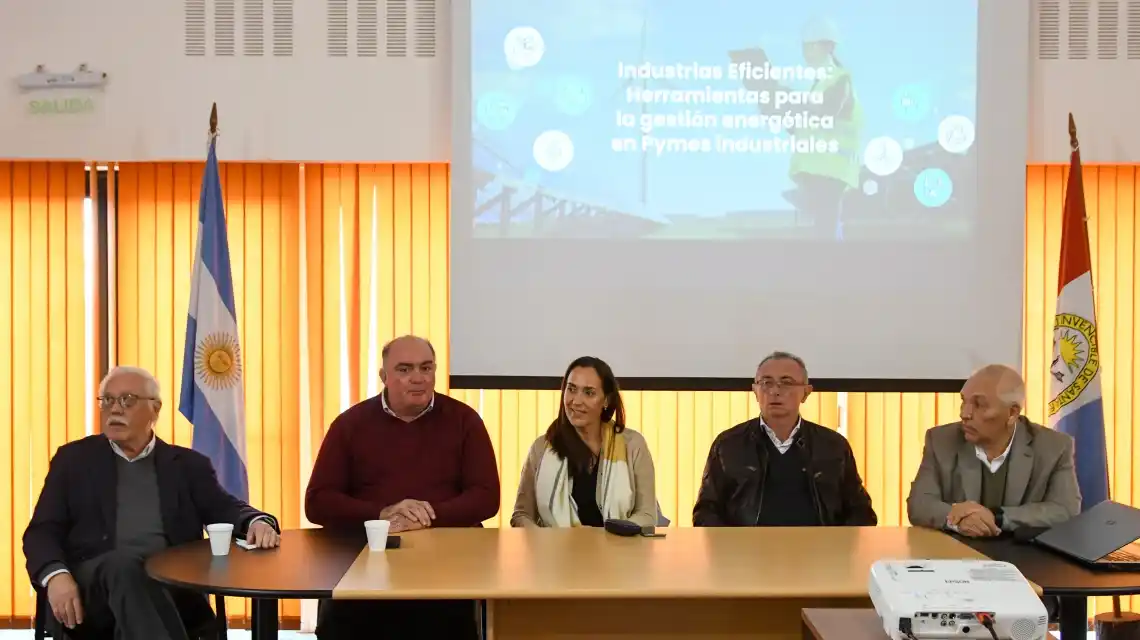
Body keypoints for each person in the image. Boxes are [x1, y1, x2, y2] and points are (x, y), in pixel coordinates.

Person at [23, 366, 280, 640]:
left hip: (170, 588)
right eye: (107, 400)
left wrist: (257, 521)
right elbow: (41, 531)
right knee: (123, 567)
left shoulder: (187, 466)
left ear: (155, 410)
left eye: (127, 400)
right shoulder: (73, 460)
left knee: (138, 582)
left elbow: (224, 507)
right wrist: (55, 576)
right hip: (93, 594)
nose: (115, 409)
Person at [305, 335, 499, 640]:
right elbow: (318, 502)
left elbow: (487, 497)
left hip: (446, 564)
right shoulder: (350, 424)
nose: (418, 378)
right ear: (384, 377)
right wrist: (382, 513)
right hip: (368, 560)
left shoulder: (465, 421)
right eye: (404, 369)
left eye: (426, 368)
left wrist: (426, 514)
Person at [693, 351, 876, 527]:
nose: (775, 391)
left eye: (786, 383)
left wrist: (838, 546)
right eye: (766, 383)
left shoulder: (832, 445)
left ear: (806, 392)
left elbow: (861, 511)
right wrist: (733, 548)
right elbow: (706, 511)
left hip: (820, 553)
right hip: (747, 554)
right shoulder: (728, 445)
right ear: (755, 391)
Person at [907, 364, 1081, 536]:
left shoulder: (1054, 446)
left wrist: (997, 517)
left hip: (1025, 556)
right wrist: (959, 519)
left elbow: (1065, 509)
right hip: (957, 555)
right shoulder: (941, 440)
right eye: (963, 401)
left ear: (1012, 413)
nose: (964, 414)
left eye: (979, 405)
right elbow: (920, 504)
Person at [732, 17, 864, 239]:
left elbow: (823, 112)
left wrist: (781, 96)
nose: (805, 53)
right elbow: (804, 123)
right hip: (819, 171)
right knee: (825, 231)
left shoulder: (839, 81)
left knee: (827, 232)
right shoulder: (822, 83)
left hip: (830, 172)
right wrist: (774, 104)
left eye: (808, 46)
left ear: (822, 46)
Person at [511, 357, 657, 528]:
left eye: (589, 393)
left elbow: (646, 515)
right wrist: (543, 541)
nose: (576, 401)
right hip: (554, 552)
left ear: (606, 400)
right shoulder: (541, 447)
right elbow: (521, 515)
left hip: (618, 551)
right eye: (571, 389)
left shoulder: (632, 445)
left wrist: (614, 537)